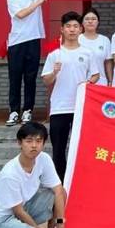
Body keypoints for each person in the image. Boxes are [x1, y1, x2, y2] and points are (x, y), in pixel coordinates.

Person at [0, 122, 67, 228]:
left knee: (61, 193)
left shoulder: (44, 159)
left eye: (38, 141)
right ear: (19, 143)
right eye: (29, 141)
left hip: (25, 207)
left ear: (43, 143)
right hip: (0, 221)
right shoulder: (10, 173)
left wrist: (60, 226)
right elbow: (18, 211)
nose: (34, 145)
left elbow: (58, 190)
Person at [41, 11, 100, 181]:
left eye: (75, 26)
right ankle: (60, 183)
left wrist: (88, 83)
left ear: (80, 29)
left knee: (80, 147)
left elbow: (95, 75)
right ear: (62, 29)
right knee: (59, 149)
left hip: (80, 108)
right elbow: (46, 80)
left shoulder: (87, 53)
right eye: (68, 26)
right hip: (59, 107)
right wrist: (54, 72)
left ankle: (78, 180)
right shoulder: (55, 54)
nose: (72, 30)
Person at [5, 0, 46, 126]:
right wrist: (38, 2)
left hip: (33, 41)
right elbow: (21, 14)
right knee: (15, 78)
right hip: (16, 43)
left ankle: (28, 111)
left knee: (30, 78)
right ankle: (14, 111)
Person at [78, 7, 113, 86]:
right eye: (87, 19)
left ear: (98, 22)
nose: (90, 21)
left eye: (93, 19)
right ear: (82, 22)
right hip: (80, 84)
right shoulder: (77, 39)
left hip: (100, 83)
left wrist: (110, 81)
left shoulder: (104, 40)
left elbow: (108, 62)